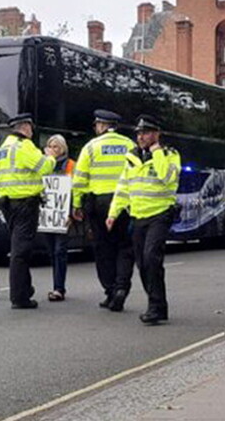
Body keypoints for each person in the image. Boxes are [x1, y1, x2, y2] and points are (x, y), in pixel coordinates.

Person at [107, 115, 181, 325]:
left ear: (156, 134)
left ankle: (155, 307)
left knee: (151, 258)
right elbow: (123, 187)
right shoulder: (131, 156)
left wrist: (156, 153)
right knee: (142, 263)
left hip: (160, 213)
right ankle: (158, 305)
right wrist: (113, 213)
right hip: (138, 215)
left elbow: (167, 178)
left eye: (146, 132)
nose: (141, 137)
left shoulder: (170, 154)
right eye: (139, 133)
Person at [72, 110, 136, 312]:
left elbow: (80, 179)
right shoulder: (130, 145)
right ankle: (121, 288)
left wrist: (77, 204)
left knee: (103, 249)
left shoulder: (91, 147)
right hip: (125, 203)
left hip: (99, 204)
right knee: (125, 248)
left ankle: (110, 290)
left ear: (101, 125)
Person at [0, 113, 55, 309]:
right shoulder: (24, 146)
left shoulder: (2, 149)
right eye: (31, 127)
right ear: (26, 127)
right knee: (21, 251)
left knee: (19, 247)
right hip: (24, 203)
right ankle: (19, 297)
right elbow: (43, 167)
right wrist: (51, 157)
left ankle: (25, 289)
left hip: (7, 203)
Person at [43, 134, 74, 302]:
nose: (53, 150)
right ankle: (57, 284)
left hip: (62, 215)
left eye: (56, 147)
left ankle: (59, 288)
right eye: (50, 146)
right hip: (48, 216)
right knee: (51, 252)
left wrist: (70, 213)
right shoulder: (45, 165)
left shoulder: (70, 165)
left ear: (63, 149)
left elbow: (74, 190)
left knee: (59, 251)